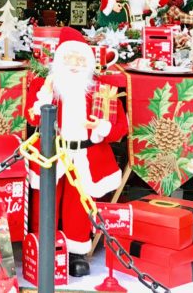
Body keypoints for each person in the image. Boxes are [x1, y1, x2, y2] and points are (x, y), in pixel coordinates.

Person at [26, 27, 127, 277]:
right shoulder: (44, 85)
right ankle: (44, 248)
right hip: (52, 153)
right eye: (69, 59)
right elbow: (32, 115)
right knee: (45, 202)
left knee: (79, 204)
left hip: (85, 155)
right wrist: (45, 94)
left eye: (80, 60)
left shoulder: (102, 90)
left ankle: (76, 251)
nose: (74, 65)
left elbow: (119, 128)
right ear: (59, 61)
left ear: (89, 63)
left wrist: (100, 127)